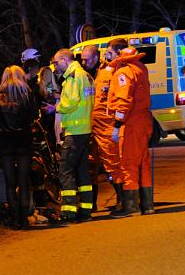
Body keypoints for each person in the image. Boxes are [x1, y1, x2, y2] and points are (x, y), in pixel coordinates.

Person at [45, 48, 95, 223]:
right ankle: (86, 211)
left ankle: (69, 212)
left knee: (65, 170)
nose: (55, 65)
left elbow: (71, 102)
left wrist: (55, 108)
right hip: (85, 129)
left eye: (57, 62)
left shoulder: (73, 76)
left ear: (65, 60)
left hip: (74, 131)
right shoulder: (85, 76)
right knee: (82, 171)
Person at [106, 39, 154, 217]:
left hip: (131, 123)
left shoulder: (124, 72)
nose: (106, 56)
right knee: (143, 163)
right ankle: (147, 205)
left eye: (109, 52)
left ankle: (131, 206)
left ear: (120, 54)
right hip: (144, 120)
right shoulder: (141, 67)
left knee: (128, 164)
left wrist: (117, 124)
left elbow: (124, 101)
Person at [0, 65, 37, 229]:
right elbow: (34, 115)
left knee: (10, 183)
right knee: (23, 181)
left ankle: (14, 219)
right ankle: (25, 219)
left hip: (5, 142)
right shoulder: (27, 94)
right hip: (23, 140)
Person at [83, 45, 124, 211]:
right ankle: (90, 204)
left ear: (96, 57)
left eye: (87, 59)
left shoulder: (108, 71)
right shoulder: (84, 75)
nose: (84, 62)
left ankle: (123, 199)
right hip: (91, 125)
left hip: (106, 125)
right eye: (82, 59)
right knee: (90, 165)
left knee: (112, 163)